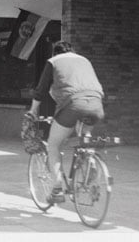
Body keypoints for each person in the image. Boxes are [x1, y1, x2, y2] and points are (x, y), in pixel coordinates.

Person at [28, 40, 105, 204]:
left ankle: (57, 188)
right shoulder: (84, 60)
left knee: (54, 144)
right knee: (84, 136)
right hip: (96, 103)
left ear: (55, 53)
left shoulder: (54, 61)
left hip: (73, 105)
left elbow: (40, 90)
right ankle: (90, 160)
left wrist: (33, 110)